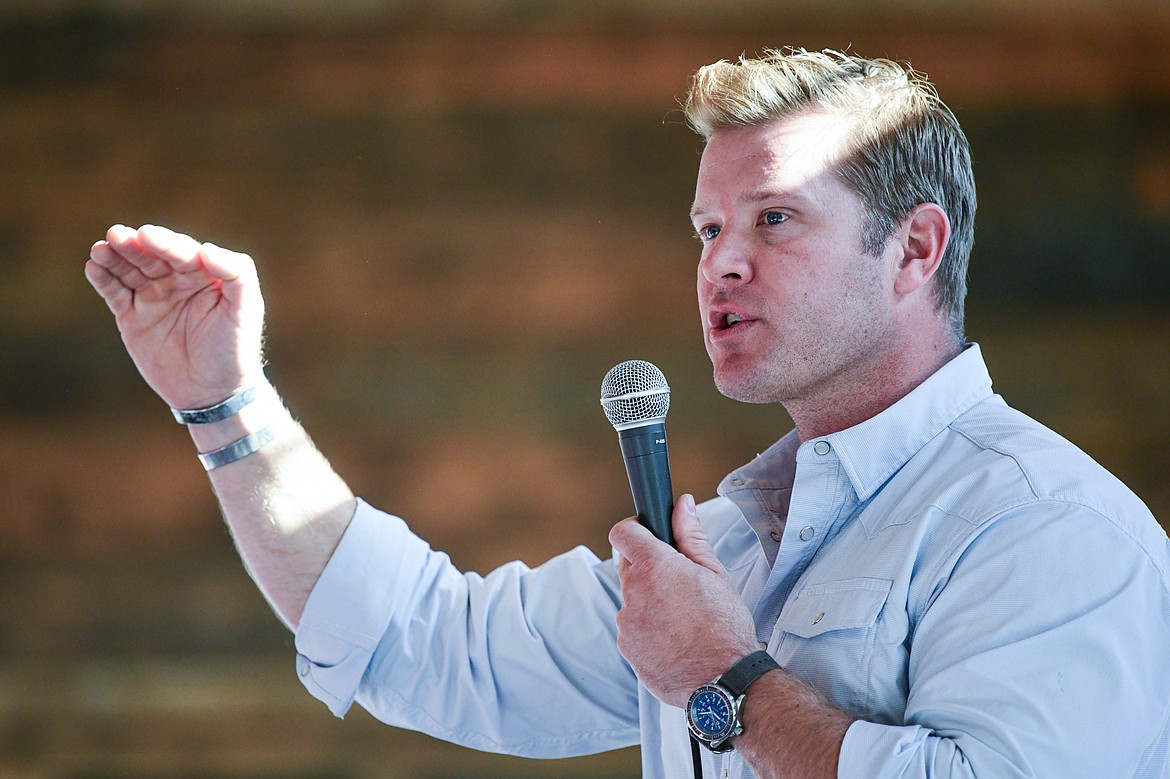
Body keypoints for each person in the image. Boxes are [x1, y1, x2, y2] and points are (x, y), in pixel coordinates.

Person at [85, 48, 1170, 778]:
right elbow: (425, 641)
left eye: (774, 217)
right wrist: (227, 404)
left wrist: (725, 677)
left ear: (915, 249)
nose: (720, 264)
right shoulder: (729, 542)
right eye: (705, 230)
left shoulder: (1051, 529)